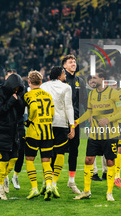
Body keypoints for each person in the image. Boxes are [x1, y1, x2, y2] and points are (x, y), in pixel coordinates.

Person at [73, 70, 121, 201]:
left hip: (110, 135)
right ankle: (86, 191)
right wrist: (76, 122)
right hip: (94, 135)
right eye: (91, 78)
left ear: (102, 78)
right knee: (88, 160)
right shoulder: (91, 94)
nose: (92, 80)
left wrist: (109, 119)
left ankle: (109, 192)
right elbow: (89, 113)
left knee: (110, 161)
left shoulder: (114, 93)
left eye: (94, 78)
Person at [40, 66, 75, 198]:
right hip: (60, 123)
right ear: (60, 75)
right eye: (64, 73)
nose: (65, 76)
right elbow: (68, 107)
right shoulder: (66, 87)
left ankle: (46, 181)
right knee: (60, 153)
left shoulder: (43, 86)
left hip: (46, 123)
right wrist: (72, 125)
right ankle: (53, 183)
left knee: (47, 154)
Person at [0, 73, 24, 200]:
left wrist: (19, 100)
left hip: (13, 131)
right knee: (4, 160)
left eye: (18, 89)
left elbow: (20, 112)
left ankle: (1, 179)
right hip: (0, 131)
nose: (16, 90)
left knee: (14, 159)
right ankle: (0, 186)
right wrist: (11, 101)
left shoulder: (17, 94)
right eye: (15, 88)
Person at [24, 71, 55, 201]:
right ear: (41, 82)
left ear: (29, 82)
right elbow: (53, 112)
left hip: (34, 132)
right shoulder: (48, 95)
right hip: (48, 131)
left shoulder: (28, 94)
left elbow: (34, 107)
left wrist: (30, 120)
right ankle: (48, 185)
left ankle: (34, 188)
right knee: (46, 161)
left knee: (30, 159)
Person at [62, 55, 88, 194]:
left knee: (74, 151)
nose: (74, 63)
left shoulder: (80, 81)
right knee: (56, 151)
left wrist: (89, 115)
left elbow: (84, 101)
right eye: (70, 62)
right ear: (64, 66)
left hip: (76, 122)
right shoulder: (60, 80)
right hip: (61, 121)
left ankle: (71, 181)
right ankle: (50, 181)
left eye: (74, 62)